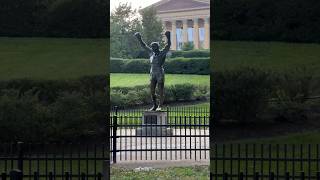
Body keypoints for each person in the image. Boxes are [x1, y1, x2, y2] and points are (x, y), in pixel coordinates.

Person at [134, 31, 171, 111]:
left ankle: (160, 106)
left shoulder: (162, 53)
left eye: (154, 46)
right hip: (152, 73)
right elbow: (144, 46)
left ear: (157, 47)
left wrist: (168, 37)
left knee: (160, 90)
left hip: (160, 73)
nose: (153, 48)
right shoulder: (151, 53)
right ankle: (154, 105)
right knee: (152, 90)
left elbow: (168, 46)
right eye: (152, 47)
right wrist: (139, 38)